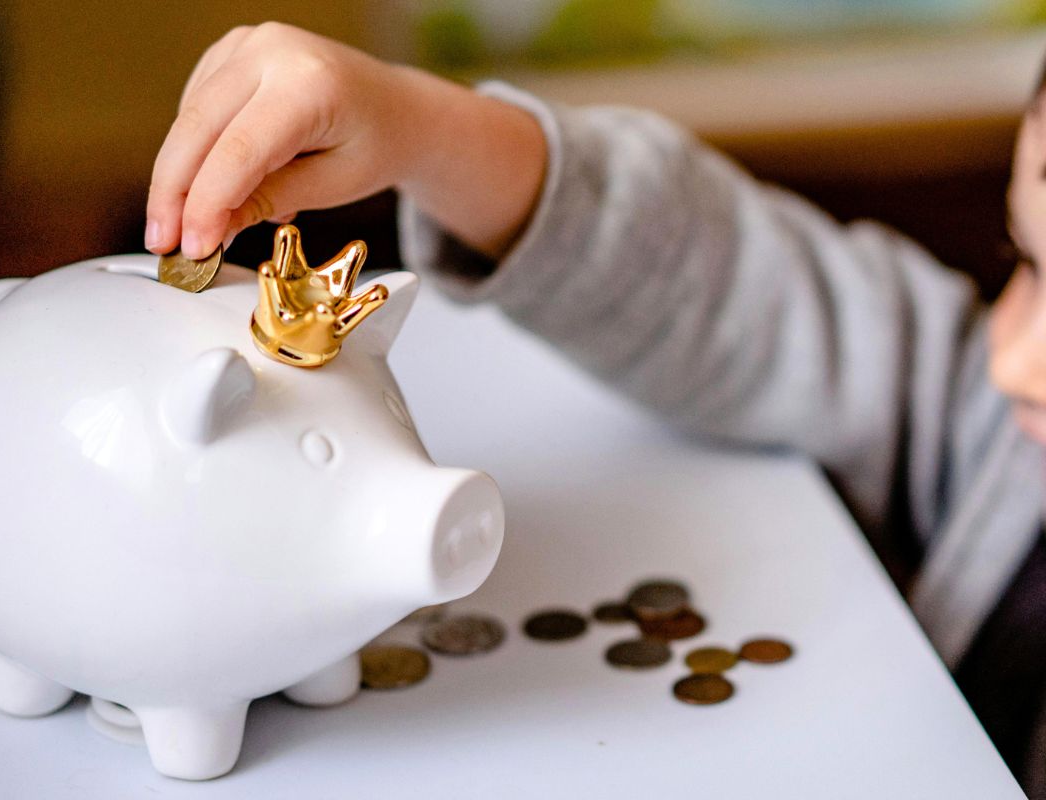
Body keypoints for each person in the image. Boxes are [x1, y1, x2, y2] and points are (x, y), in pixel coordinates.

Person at [144, 23, 1046, 793]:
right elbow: (737, 285)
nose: (1014, 358)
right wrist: (421, 128)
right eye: (1024, 263)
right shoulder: (982, 419)